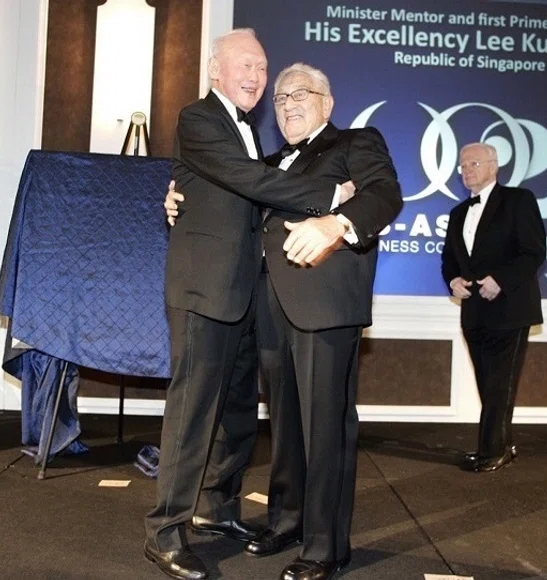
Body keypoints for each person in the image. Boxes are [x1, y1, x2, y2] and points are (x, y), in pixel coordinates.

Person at [165, 62, 403, 580]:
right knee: (288, 424)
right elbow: (230, 198)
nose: (288, 103)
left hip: (325, 305)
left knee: (325, 425)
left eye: (301, 93)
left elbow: (385, 195)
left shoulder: (357, 143)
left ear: (328, 101)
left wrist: (335, 225)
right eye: (279, 97)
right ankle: (288, 520)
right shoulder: (269, 162)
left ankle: (326, 547)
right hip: (268, 308)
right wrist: (174, 196)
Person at [439, 142, 547, 474]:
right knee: (490, 384)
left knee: (500, 384)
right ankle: (502, 444)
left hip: (511, 309)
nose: (467, 170)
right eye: (462, 166)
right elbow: (449, 260)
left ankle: (491, 451)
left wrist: (500, 279)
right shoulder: (459, 213)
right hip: (474, 313)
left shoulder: (519, 200)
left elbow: (533, 251)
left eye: (473, 163)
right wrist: (453, 280)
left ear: (493, 166)